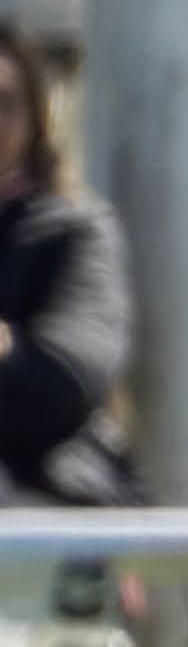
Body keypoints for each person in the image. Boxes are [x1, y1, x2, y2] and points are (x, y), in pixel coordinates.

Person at [0, 31, 133, 509]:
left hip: (49, 499)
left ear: (35, 118)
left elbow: (67, 378)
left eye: (4, 102)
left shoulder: (74, 230)